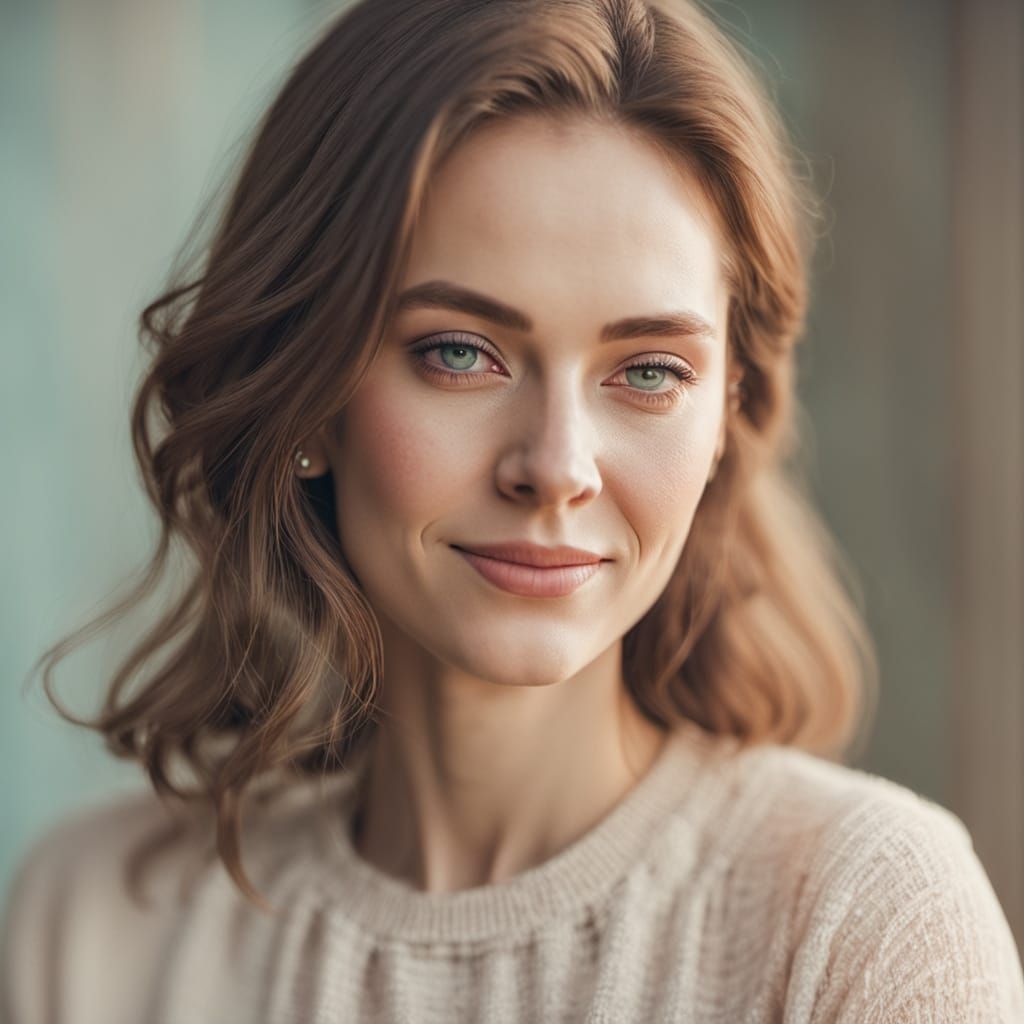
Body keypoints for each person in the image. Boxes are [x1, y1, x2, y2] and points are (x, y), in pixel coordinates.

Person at [2, 0, 1022, 1020]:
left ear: (727, 415)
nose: (556, 467)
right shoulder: (94, 930)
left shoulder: (865, 921)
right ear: (306, 388)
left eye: (649, 370)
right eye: (459, 352)